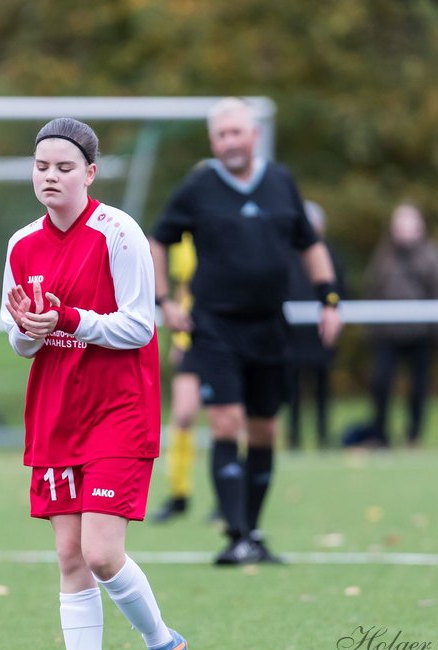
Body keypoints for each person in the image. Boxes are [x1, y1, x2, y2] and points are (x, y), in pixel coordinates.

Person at [0, 118, 187, 650]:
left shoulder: (118, 233)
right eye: (41, 167)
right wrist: (31, 332)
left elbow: (140, 325)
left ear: (89, 174)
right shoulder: (21, 244)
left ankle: (164, 647)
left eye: (63, 167)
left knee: (102, 554)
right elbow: (21, 341)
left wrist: (69, 320)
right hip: (57, 413)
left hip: (119, 410)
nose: (49, 176)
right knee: (68, 556)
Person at [150, 98, 342, 565]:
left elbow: (309, 243)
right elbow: (158, 240)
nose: (231, 142)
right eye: (222, 135)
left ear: (254, 136)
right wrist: (163, 302)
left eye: (238, 132)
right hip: (215, 326)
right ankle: (234, 535)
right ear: (213, 142)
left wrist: (329, 300)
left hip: (269, 326)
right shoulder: (198, 187)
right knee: (225, 422)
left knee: (263, 430)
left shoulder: (280, 182)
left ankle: (252, 532)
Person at [362, 203, 438, 448]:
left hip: (420, 334)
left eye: (408, 225)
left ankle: (414, 436)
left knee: (418, 388)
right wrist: (370, 328)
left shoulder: (431, 255)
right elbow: (372, 291)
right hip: (388, 333)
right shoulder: (383, 256)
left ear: (419, 228)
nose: (403, 231)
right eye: (399, 225)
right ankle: (379, 435)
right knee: (381, 383)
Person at [149, 235, 201, 524]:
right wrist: (180, 340)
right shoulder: (184, 237)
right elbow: (184, 289)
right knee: (182, 415)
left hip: (229, 334)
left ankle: (232, 494)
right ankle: (179, 494)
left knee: (232, 417)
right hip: (192, 334)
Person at [286, 201, 346, 450]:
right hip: (292, 335)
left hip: (320, 333)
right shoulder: (287, 255)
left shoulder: (330, 256)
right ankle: (294, 438)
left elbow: (338, 290)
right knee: (292, 389)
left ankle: (323, 436)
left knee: (322, 386)